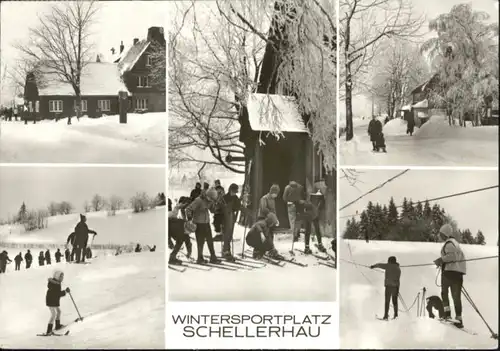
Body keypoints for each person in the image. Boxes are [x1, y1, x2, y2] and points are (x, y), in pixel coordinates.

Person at [433, 223, 466, 328]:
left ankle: (447, 315)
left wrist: (440, 260)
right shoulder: (455, 243)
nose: (440, 236)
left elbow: (451, 256)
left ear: (445, 234)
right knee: (456, 296)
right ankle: (459, 318)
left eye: (441, 234)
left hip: (449, 272)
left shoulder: (449, 243)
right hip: (458, 273)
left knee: (444, 293)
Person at [185, 188, 221, 264]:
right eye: (211, 199)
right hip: (198, 223)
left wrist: (216, 206)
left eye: (212, 199)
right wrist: (190, 219)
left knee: (210, 240)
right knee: (200, 241)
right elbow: (188, 209)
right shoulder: (198, 200)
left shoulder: (210, 200)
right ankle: (199, 258)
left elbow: (212, 210)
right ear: (207, 196)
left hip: (206, 222)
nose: (211, 200)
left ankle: (213, 257)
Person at [370, 256, 401, 320]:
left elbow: (379, 265)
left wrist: (373, 266)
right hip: (395, 287)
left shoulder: (388, 266)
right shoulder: (398, 269)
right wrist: (397, 289)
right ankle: (396, 316)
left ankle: (386, 316)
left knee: (387, 301)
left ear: (390, 261)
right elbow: (398, 279)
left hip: (388, 286)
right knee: (395, 301)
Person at [45, 270, 70, 335]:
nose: (62, 278)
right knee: (53, 315)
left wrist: (65, 291)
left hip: (53, 300)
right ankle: (48, 331)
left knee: (58, 312)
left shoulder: (56, 283)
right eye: (61, 277)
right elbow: (58, 294)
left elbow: (57, 293)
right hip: (51, 301)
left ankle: (57, 326)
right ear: (57, 276)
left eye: (62, 277)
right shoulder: (55, 284)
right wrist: (65, 292)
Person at [220, 183, 241, 261]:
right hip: (224, 219)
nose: (234, 193)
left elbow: (238, 207)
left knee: (230, 235)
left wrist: (239, 203)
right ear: (230, 190)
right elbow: (220, 209)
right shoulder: (224, 198)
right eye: (233, 191)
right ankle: (226, 251)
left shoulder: (235, 198)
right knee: (226, 234)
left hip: (231, 218)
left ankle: (226, 250)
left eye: (235, 192)